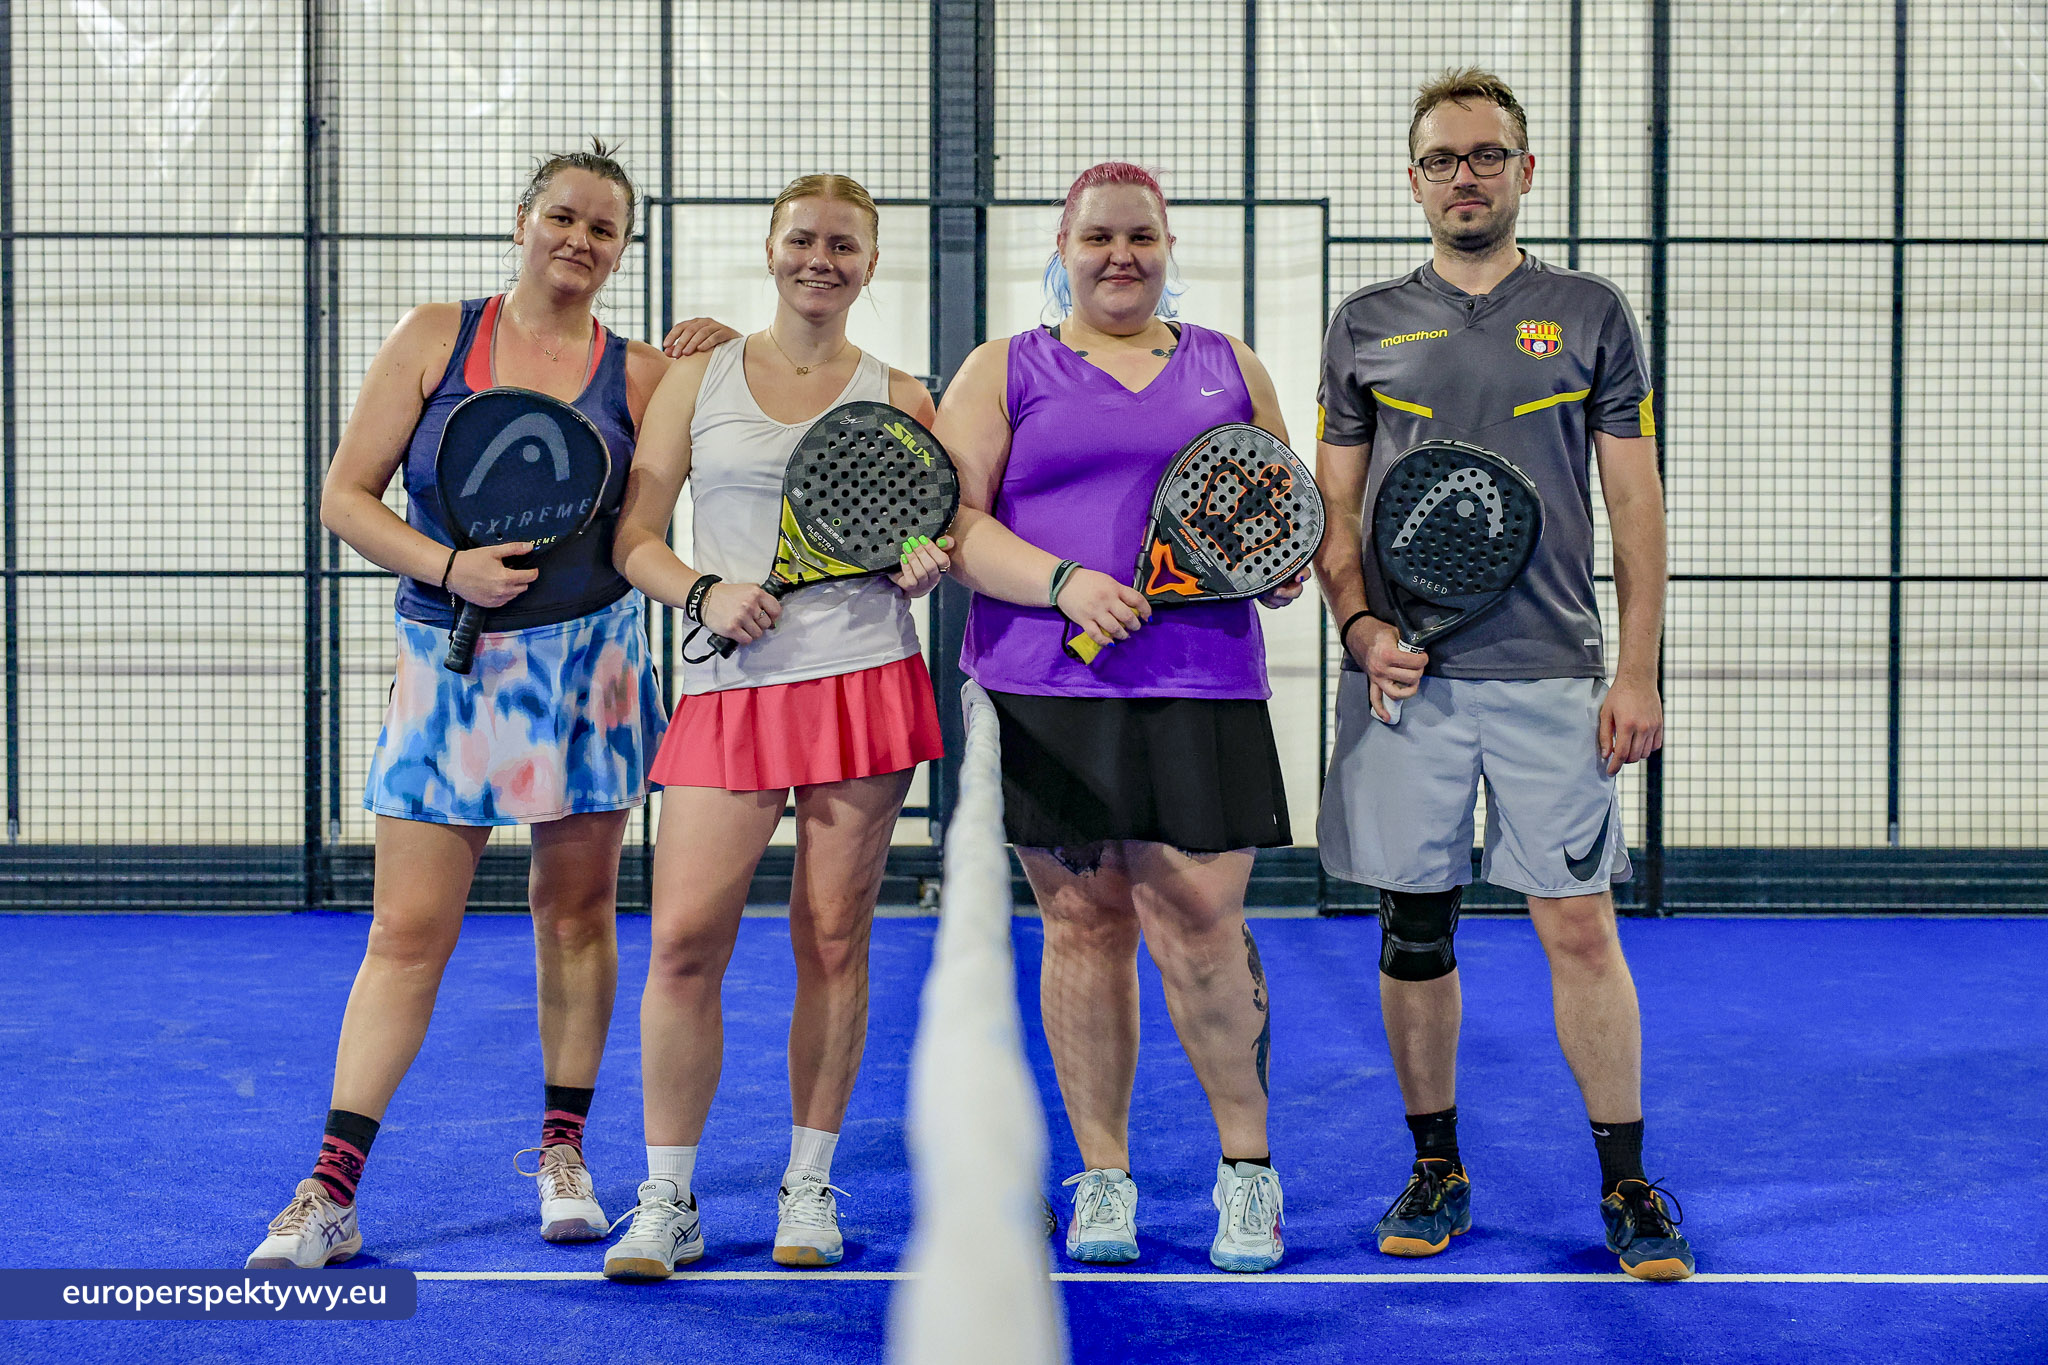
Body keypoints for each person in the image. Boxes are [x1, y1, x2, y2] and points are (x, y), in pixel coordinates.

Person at [245, 142, 737, 1269]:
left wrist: (721, 350)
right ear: (522, 220)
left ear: (623, 250)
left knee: (572, 919)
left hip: (593, 668)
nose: (579, 240)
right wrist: (444, 564)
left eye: (603, 228)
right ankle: (330, 1190)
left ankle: (565, 1156)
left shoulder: (649, 374)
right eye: (562, 216)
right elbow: (344, 496)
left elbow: (745, 440)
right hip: (449, 666)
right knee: (408, 933)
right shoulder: (435, 335)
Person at [1313, 68, 1692, 1280]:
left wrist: (1632, 669)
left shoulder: (1586, 311)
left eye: (1485, 156)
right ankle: (1435, 1167)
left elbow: (1631, 498)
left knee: (1576, 928)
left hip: (1548, 678)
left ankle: (1627, 1183)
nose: (1463, 177)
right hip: (1403, 683)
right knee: (1411, 933)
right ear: (1412, 176)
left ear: (1523, 172)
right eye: (1441, 158)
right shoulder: (1364, 320)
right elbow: (1334, 507)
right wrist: (1360, 627)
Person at [937, 162, 1305, 1274]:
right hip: (1044, 691)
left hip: (1202, 689)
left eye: (1139, 236)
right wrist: (1060, 585)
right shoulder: (1003, 368)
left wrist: (1277, 570)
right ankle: (1102, 1180)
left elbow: (1274, 501)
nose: (1119, 256)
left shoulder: (1227, 366)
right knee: (1083, 928)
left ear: (1166, 242)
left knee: (1197, 928)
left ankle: (1248, 1175)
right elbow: (952, 522)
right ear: (1061, 244)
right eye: (1097, 237)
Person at [601, 173, 950, 1281]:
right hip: (727, 691)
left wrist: (926, 563)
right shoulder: (695, 377)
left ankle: (808, 1185)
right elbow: (635, 537)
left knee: (833, 941)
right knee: (683, 944)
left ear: (869, 262)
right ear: (768, 248)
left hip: (862, 681)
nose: (820, 259)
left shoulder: (903, 393)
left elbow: (933, 533)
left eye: (842, 245)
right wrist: (699, 592)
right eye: (802, 239)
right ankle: (666, 1198)